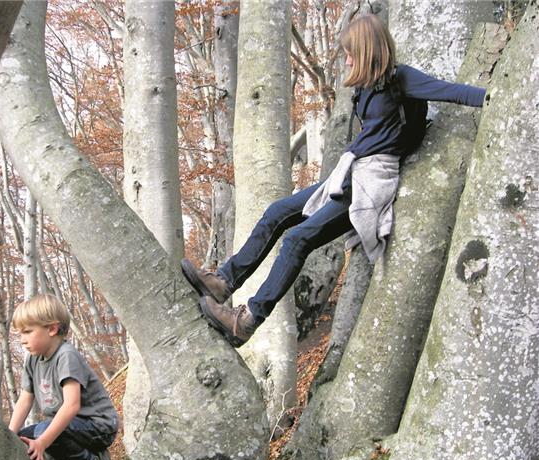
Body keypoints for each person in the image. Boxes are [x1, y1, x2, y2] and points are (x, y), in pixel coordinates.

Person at [181, 14, 486, 347]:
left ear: (369, 49)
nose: (348, 59)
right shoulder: (365, 88)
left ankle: (248, 321)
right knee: (276, 212)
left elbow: (453, 92)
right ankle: (223, 282)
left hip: (370, 180)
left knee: (298, 239)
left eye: (352, 52)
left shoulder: (401, 79)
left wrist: (494, 98)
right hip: (350, 172)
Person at [8, 294, 119, 460]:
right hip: (72, 426)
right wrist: (10, 435)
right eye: (19, 333)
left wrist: (42, 442)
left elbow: (71, 406)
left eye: (27, 332)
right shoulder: (32, 360)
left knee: (43, 432)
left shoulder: (65, 355)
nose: (22, 340)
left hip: (98, 425)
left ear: (51, 329)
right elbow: (25, 399)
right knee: (26, 436)